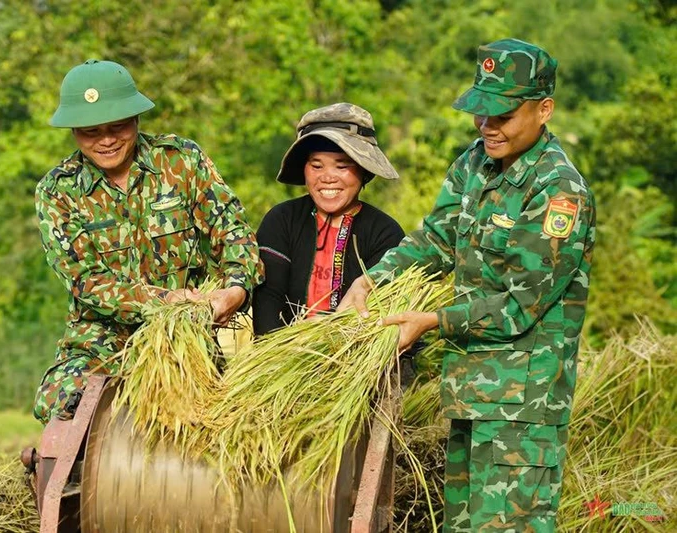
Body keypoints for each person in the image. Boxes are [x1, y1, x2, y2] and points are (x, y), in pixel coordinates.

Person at [340, 39, 596, 532]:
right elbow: (435, 239)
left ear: (544, 109)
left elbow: (521, 305)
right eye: (481, 113)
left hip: (523, 409)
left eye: (502, 115)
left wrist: (432, 322)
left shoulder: (558, 191)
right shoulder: (474, 163)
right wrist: (373, 279)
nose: (487, 126)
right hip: (469, 394)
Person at [33, 59, 264, 424]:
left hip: (189, 330)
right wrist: (162, 300)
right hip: (103, 335)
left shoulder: (181, 161)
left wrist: (234, 291)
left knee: (205, 412)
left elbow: (235, 235)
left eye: (117, 126)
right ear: (74, 130)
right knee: (61, 400)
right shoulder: (57, 190)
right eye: (91, 131)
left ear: (137, 120)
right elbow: (85, 281)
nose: (106, 140)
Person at [252, 103, 405, 335]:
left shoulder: (384, 233)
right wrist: (286, 347)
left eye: (342, 166)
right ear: (304, 169)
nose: (328, 177)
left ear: (364, 171)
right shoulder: (282, 220)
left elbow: (380, 316)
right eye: (316, 165)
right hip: (285, 353)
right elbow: (268, 300)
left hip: (357, 359)